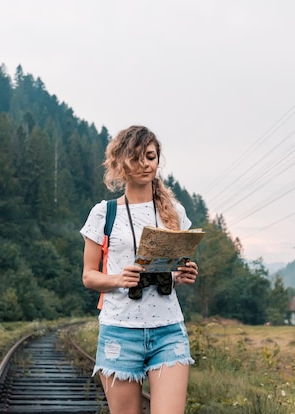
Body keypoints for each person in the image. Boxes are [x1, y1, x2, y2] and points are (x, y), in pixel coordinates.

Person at [80, 125, 199, 414]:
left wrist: (184, 275)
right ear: (120, 163)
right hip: (120, 331)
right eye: (136, 158)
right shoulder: (104, 213)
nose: (145, 164)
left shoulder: (175, 212)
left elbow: (175, 269)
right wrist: (118, 279)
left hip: (168, 330)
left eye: (150, 157)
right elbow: (88, 276)